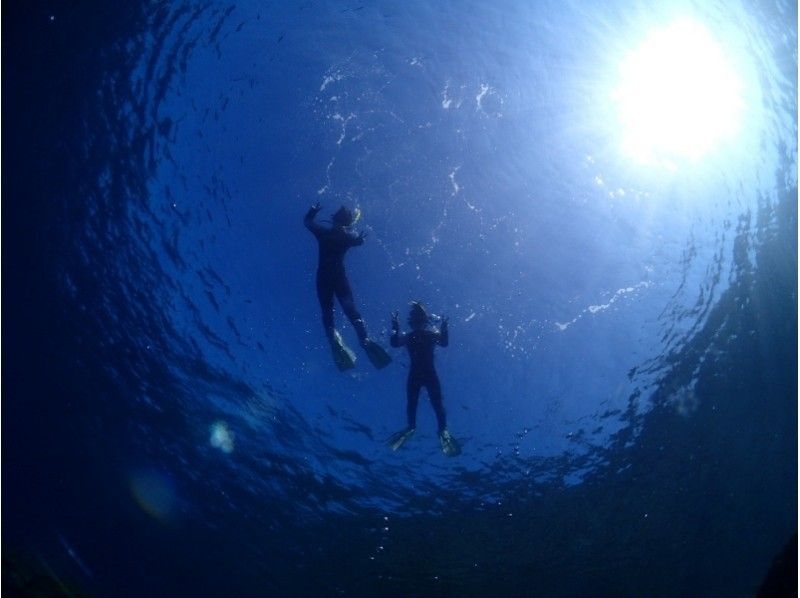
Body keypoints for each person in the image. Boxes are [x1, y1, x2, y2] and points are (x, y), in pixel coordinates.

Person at [304, 202, 391, 371]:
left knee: (327, 311)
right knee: (351, 311)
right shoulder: (347, 238)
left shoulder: (324, 233)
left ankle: (332, 338)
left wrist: (313, 210)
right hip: (339, 278)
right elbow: (358, 241)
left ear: (333, 219)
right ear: (348, 224)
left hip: (323, 278)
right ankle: (364, 339)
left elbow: (307, 223)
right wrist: (358, 240)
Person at [386, 301, 461, 456]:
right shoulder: (429, 335)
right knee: (434, 404)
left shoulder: (411, 336)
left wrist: (395, 325)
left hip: (417, 374)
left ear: (413, 321)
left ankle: (413, 427)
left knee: (422, 404)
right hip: (428, 374)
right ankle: (441, 429)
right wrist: (444, 328)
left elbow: (394, 343)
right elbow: (444, 342)